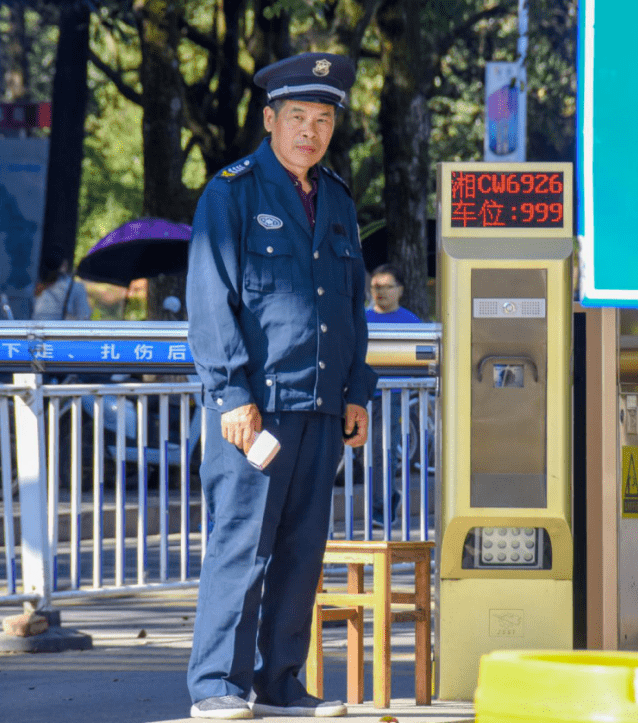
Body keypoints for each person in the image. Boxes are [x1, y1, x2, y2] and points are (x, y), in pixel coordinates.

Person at [184, 52, 377, 720]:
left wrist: (358, 390)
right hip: (255, 408)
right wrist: (230, 393)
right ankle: (216, 683)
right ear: (270, 119)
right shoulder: (232, 192)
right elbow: (211, 301)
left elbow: (351, 306)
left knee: (301, 551)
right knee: (242, 545)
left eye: (323, 120)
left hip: (321, 404)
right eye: (298, 117)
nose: (311, 132)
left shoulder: (339, 200)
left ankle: (281, 680)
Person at [365, 264, 422, 525]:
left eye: (387, 286)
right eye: (376, 286)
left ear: (399, 290)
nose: (381, 292)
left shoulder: (411, 322)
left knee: (381, 449)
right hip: (359, 394)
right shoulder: (361, 318)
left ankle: (381, 505)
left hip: (392, 398)